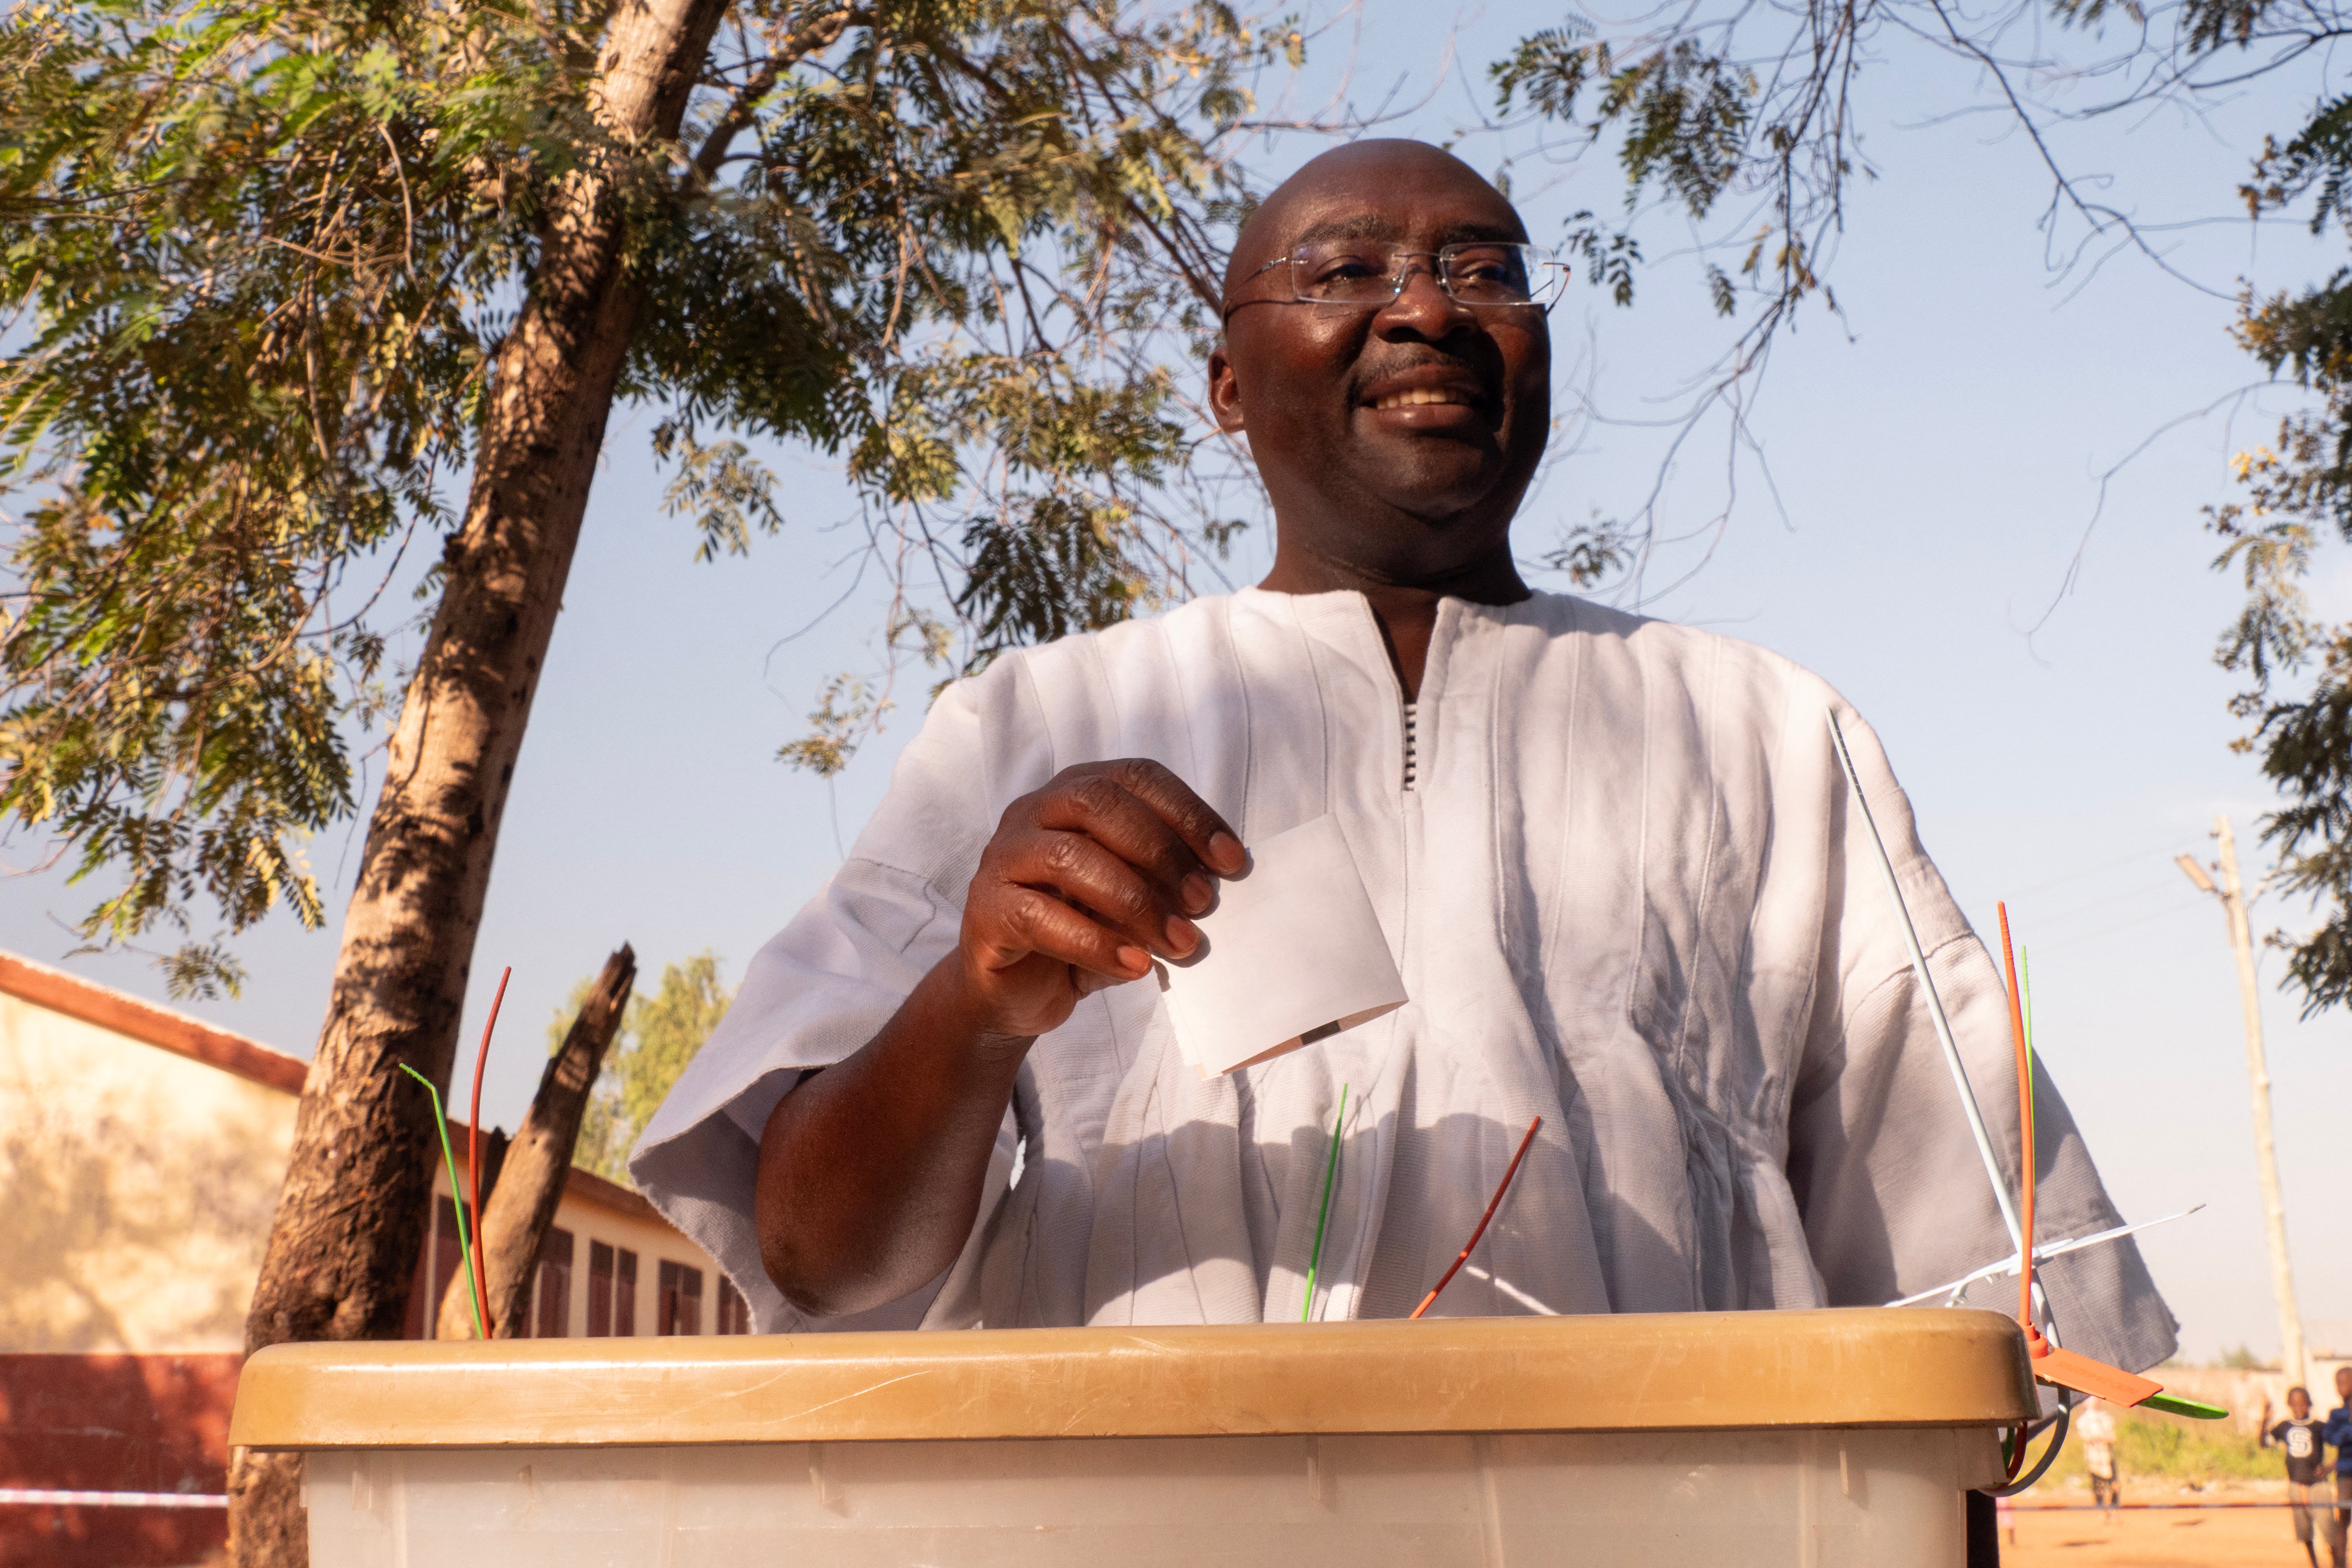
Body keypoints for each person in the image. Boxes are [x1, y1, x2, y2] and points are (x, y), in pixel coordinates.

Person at [631, 139, 2177, 1372]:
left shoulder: (1768, 730)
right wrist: (972, 1004)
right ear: (1230, 384)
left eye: (1481, 269)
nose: (1426, 305)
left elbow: (1974, 1289)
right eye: (1344, 269)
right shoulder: (1035, 723)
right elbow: (820, 1257)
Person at [2263, 1386, 2329, 1568]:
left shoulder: (2319, 1426)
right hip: (2296, 1485)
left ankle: (2336, 1561)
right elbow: (2264, 1444)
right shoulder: (2284, 1426)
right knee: (2305, 1532)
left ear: (2310, 1404)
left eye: (2303, 1404)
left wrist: (2330, 1467)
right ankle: (2314, 1564)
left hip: (2318, 1485)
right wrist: (2264, 1420)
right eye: (2295, 1405)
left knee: (2328, 1528)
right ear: (2289, 1405)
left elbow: (2342, 1443)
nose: (2299, 1408)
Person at [2322, 1367, 2352, 1567]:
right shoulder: (2336, 1414)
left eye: (2345, 1382)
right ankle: (2339, 1562)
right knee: (2343, 1519)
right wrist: (2348, 1429)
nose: (2340, 1387)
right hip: (2346, 1474)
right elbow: (2330, 1439)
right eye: (2338, 1383)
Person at [2076, 1400, 2121, 1517]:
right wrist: (2102, 1438)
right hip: (2094, 1457)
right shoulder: (2083, 1420)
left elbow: (2112, 1436)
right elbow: (2087, 1437)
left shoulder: (2105, 1417)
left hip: (2107, 1455)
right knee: (2098, 1484)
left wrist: (2099, 1438)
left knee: (2114, 1483)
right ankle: (2101, 1509)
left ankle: (2114, 1507)